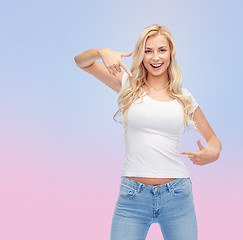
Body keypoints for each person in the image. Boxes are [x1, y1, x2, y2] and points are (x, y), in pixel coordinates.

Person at [74, 24, 222, 240]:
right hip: (132, 197)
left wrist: (213, 153)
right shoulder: (127, 85)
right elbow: (80, 62)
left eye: (162, 50)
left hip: (177, 196)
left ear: (171, 53)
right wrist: (101, 52)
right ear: (141, 54)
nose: (155, 58)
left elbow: (213, 139)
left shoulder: (184, 97)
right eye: (148, 50)